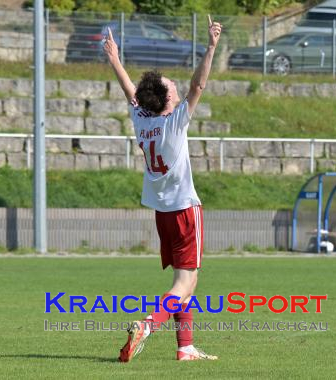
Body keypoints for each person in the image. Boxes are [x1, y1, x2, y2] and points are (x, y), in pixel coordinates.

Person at [104, 15, 222, 361]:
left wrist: (114, 59)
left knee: (185, 282)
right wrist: (212, 46)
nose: (177, 86)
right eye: (173, 86)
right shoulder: (174, 122)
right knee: (185, 283)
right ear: (170, 100)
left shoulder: (143, 121)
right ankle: (148, 325)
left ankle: (185, 347)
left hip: (163, 214)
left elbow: (131, 93)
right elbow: (198, 86)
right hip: (186, 209)